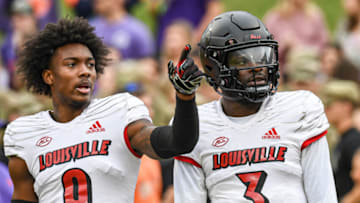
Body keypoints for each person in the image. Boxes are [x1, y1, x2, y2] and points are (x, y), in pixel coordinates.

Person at [3, 17, 202, 202]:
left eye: (90, 65)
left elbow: (179, 142)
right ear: (49, 76)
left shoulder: (119, 112)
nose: (85, 72)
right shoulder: (25, 133)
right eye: (72, 64)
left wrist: (185, 96)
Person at [173, 11, 337, 202]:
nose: (258, 66)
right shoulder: (197, 125)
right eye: (242, 60)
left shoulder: (300, 110)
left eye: (262, 56)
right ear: (213, 68)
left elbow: (323, 196)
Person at [321, 80, 360, 200]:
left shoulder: (354, 141)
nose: (326, 109)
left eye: (330, 105)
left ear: (346, 106)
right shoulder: (342, 139)